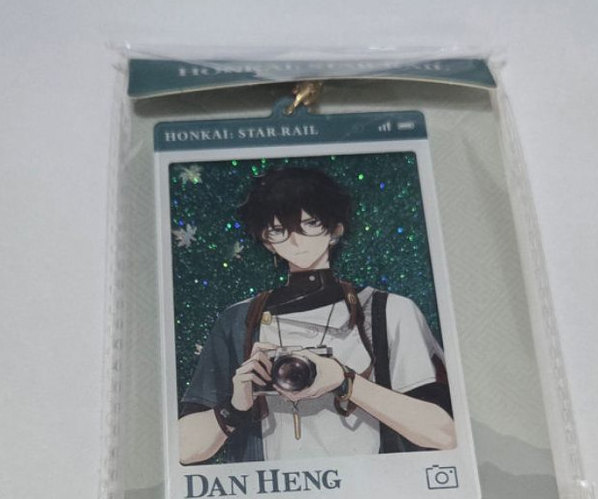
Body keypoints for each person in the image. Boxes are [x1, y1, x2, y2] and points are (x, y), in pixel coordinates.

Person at [178, 166, 456, 465]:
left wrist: (345, 381)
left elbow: (445, 433)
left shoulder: (388, 310)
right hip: (273, 488)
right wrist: (233, 407)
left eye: (309, 223)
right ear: (266, 240)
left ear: (336, 229)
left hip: (372, 486)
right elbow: (181, 450)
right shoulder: (239, 320)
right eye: (278, 230)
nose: (295, 240)